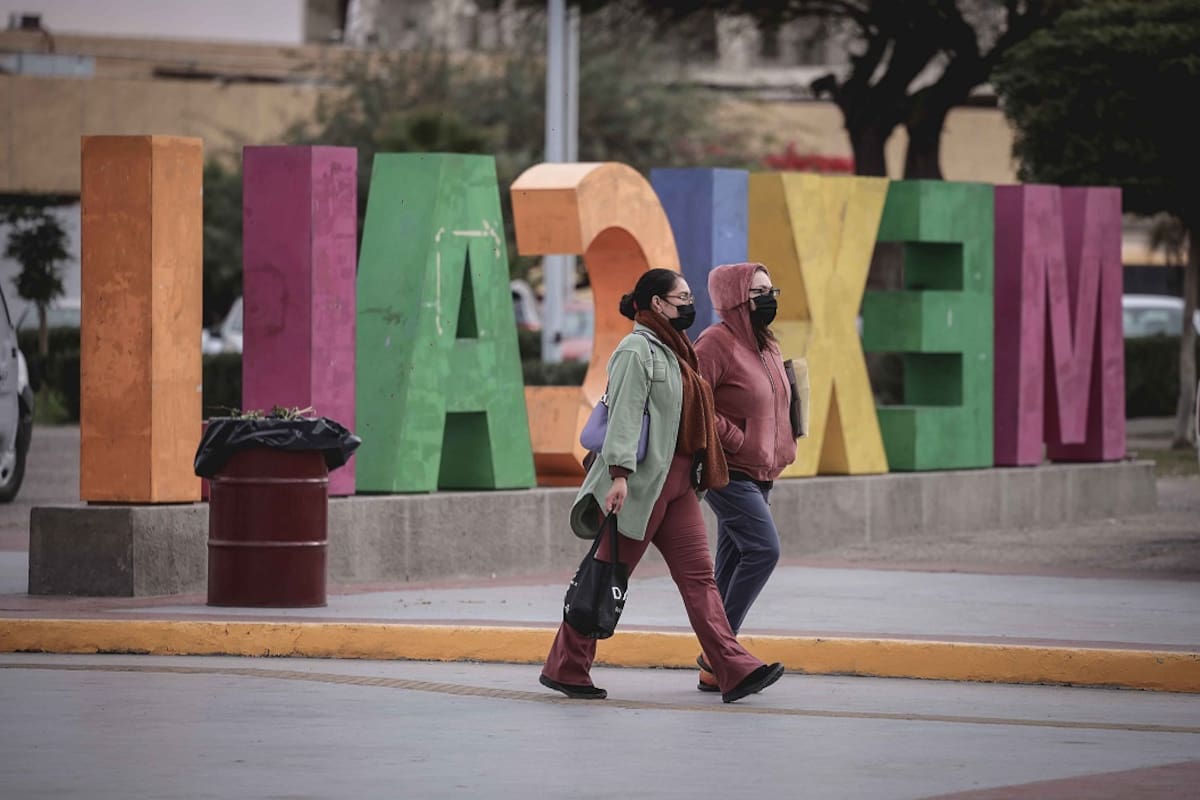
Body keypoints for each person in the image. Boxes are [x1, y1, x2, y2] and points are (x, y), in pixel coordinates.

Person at [539, 268, 785, 704]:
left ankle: (732, 668)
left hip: (679, 485)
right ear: (657, 304)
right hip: (642, 485)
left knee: (701, 581)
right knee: (605, 575)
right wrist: (618, 476)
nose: (690, 305)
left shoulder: (675, 351)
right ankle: (566, 667)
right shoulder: (637, 350)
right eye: (682, 298)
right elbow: (626, 416)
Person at [692, 262, 798, 692]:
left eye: (772, 289)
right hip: (728, 470)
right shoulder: (716, 342)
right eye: (758, 291)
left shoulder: (766, 344)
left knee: (731, 564)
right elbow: (693, 399)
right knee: (763, 549)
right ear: (734, 296)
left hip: (762, 471)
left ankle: (711, 667)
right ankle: (719, 653)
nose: (767, 298)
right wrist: (735, 438)